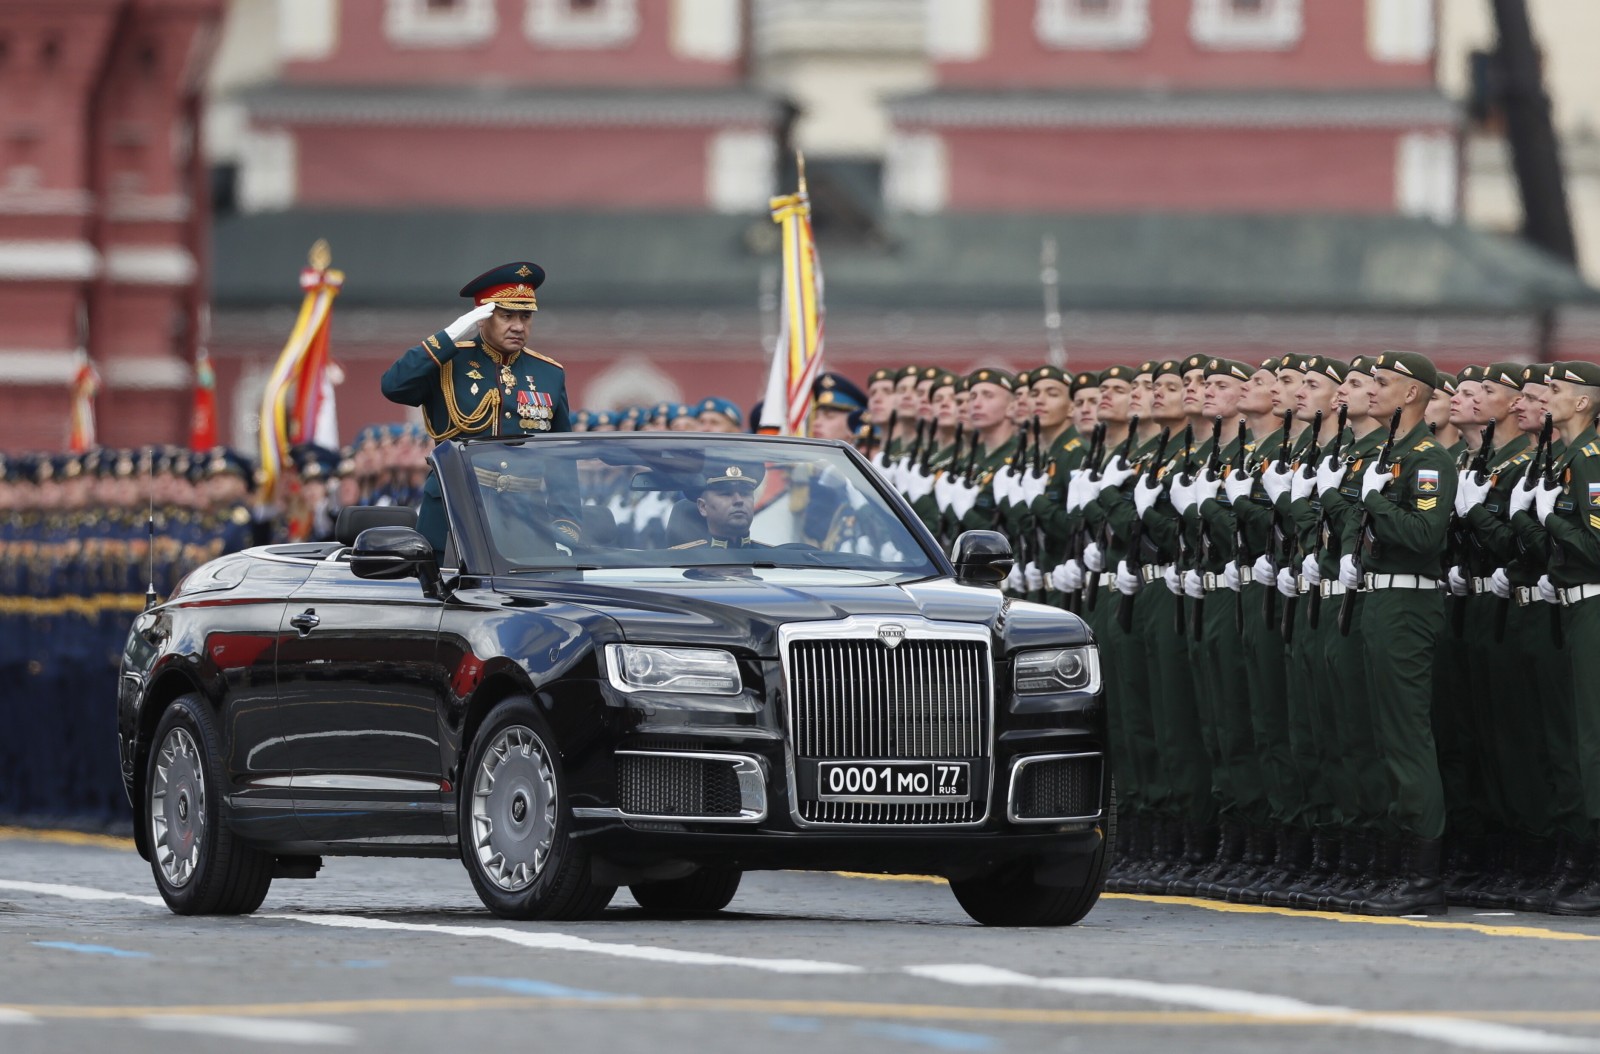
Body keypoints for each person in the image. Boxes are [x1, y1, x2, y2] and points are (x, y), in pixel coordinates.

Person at [380, 261, 573, 555]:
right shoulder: (448, 360)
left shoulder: (549, 373)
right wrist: (448, 337)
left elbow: (562, 459)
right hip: (455, 513)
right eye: (507, 315)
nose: (518, 326)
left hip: (525, 521)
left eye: (525, 316)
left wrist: (566, 527)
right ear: (482, 319)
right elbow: (393, 386)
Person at [672, 464, 769, 550]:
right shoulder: (680, 562)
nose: (739, 500)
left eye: (745, 493)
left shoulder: (775, 559)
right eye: (726, 494)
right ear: (703, 507)